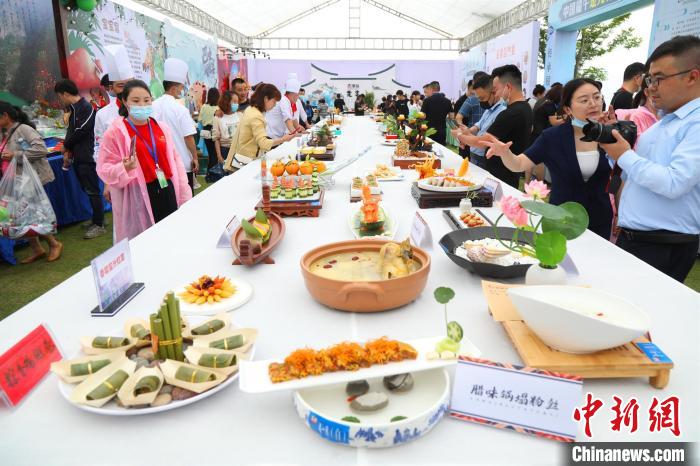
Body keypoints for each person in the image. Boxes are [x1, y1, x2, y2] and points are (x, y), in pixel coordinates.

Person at [598, 35, 700, 282]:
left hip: (662, 244)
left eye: (659, 79)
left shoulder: (695, 123)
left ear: (692, 77)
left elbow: (675, 182)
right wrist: (615, 148)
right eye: (649, 79)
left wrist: (624, 155)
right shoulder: (667, 121)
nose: (650, 87)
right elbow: (637, 172)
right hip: (640, 238)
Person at [481, 78, 618, 239]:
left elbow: (620, 177)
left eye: (597, 97)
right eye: (584, 100)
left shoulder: (611, 134)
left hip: (599, 220)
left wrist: (620, 214)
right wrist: (505, 153)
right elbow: (518, 164)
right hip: (561, 220)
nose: (593, 103)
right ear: (568, 109)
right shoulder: (553, 137)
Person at [96, 80, 191, 243]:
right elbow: (104, 168)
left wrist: (184, 192)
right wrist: (123, 167)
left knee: (171, 238)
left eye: (147, 100)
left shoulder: (161, 127)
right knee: (145, 243)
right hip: (138, 194)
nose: (142, 105)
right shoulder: (115, 132)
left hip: (166, 187)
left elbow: (175, 161)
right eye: (136, 100)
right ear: (125, 101)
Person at [0, 101, 63, 263]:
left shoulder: (23, 129)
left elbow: (40, 149)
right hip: (15, 181)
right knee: (21, 217)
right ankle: (37, 249)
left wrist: (15, 155)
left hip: (30, 178)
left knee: (34, 215)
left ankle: (54, 244)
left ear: (5, 116)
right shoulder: (4, 133)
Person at [54, 79, 106, 240]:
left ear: (65, 94)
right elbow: (71, 132)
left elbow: (81, 131)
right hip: (79, 156)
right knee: (88, 190)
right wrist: (67, 148)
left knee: (93, 191)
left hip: (87, 155)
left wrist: (65, 145)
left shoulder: (86, 107)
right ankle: (97, 219)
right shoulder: (73, 109)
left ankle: (99, 225)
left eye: (59, 96)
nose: (59, 99)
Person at [479, 65, 533, 188]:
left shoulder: (511, 113)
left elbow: (483, 141)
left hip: (501, 173)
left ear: (508, 87)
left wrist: (462, 137)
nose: (496, 94)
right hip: (509, 172)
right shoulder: (526, 108)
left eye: (496, 89)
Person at [224, 83, 296, 172]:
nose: (274, 105)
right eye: (274, 102)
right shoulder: (256, 116)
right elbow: (263, 143)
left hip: (242, 156)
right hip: (246, 161)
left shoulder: (251, 109)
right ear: (266, 99)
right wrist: (283, 139)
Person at [95, 45, 135, 205]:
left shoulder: (147, 110)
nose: (126, 89)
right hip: (119, 176)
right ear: (111, 88)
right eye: (121, 85)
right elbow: (100, 152)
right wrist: (108, 182)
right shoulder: (103, 115)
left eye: (130, 84)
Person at [152, 58, 198, 194]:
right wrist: (195, 157)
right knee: (185, 200)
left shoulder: (152, 106)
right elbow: (188, 137)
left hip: (160, 165)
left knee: (166, 198)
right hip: (182, 164)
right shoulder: (180, 109)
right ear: (173, 88)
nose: (182, 90)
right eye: (181, 87)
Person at [452, 74, 506, 169]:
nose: (480, 102)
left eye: (482, 98)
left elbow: (485, 141)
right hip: (474, 153)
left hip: (484, 157)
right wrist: (467, 131)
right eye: (478, 99)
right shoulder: (489, 109)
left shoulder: (502, 111)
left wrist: (462, 136)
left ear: (494, 91)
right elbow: (478, 125)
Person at [456, 72, 488, 158]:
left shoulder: (471, 99)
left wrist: (462, 130)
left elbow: (458, 117)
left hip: (475, 140)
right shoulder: (472, 100)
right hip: (479, 141)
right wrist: (463, 130)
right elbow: (459, 117)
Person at [265, 74, 306, 139]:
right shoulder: (284, 100)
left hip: (279, 135)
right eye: (298, 95)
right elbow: (288, 120)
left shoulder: (289, 101)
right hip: (271, 136)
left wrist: (300, 130)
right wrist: (296, 135)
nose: (298, 98)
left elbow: (294, 119)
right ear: (295, 94)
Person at [212, 91, 239, 172]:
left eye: (237, 102)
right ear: (226, 102)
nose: (236, 104)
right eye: (234, 102)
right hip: (225, 151)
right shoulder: (218, 118)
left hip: (239, 151)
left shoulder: (240, 115)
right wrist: (219, 156)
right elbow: (216, 138)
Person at [420, 81, 453, 145]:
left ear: (431, 89)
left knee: (428, 149)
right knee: (441, 150)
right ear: (439, 89)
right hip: (442, 130)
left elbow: (422, 116)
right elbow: (451, 116)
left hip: (429, 130)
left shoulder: (427, 100)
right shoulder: (447, 101)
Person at [198, 87, 220, 180]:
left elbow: (200, 120)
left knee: (211, 154)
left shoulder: (204, 106)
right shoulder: (218, 108)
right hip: (215, 130)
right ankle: (212, 175)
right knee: (215, 154)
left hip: (205, 130)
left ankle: (209, 174)